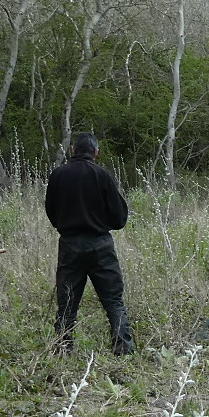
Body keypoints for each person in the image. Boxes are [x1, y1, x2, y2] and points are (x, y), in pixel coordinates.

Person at [46, 132, 132, 354]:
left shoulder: (58, 175)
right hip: (99, 244)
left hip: (70, 244)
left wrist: (66, 225)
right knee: (113, 300)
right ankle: (123, 348)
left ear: (73, 150)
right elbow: (120, 216)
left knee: (67, 300)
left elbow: (51, 211)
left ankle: (63, 348)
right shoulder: (102, 175)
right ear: (95, 152)